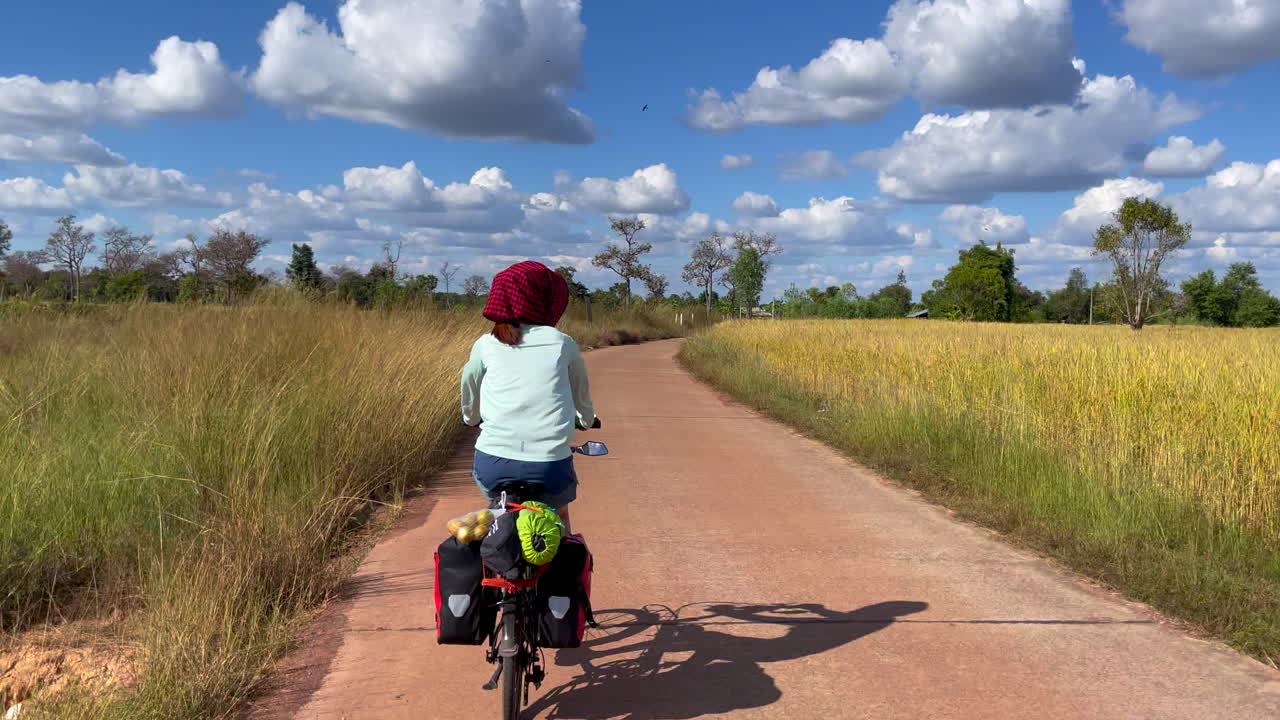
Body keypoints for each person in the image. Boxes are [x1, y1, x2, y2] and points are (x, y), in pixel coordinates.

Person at [460, 260, 595, 530]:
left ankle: (490, 558)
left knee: (495, 519)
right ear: (547, 299)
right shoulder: (561, 343)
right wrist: (586, 420)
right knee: (558, 520)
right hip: (548, 465)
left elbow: (469, 383)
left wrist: (471, 417)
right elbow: (581, 393)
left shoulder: (486, 343)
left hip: (492, 462)